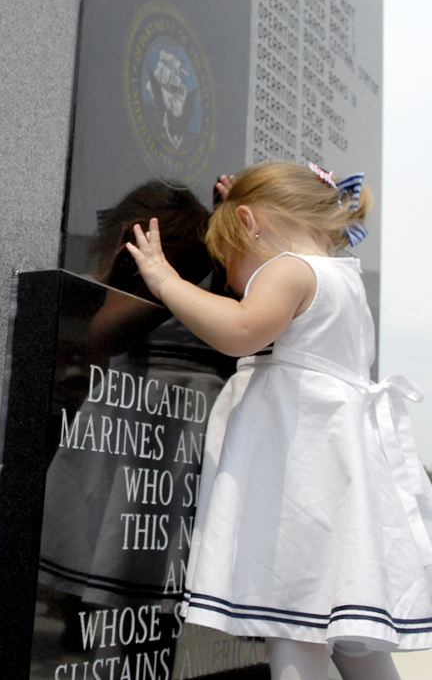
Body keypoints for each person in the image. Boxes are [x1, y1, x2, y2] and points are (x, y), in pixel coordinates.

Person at [125, 161, 432, 680]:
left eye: (227, 260)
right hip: (338, 482)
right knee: (354, 643)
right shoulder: (341, 277)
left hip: (302, 487)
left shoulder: (286, 271)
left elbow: (242, 329)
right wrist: (242, 204)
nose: (231, 278)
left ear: (249, 225)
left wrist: (165, 280)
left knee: (294, 630)